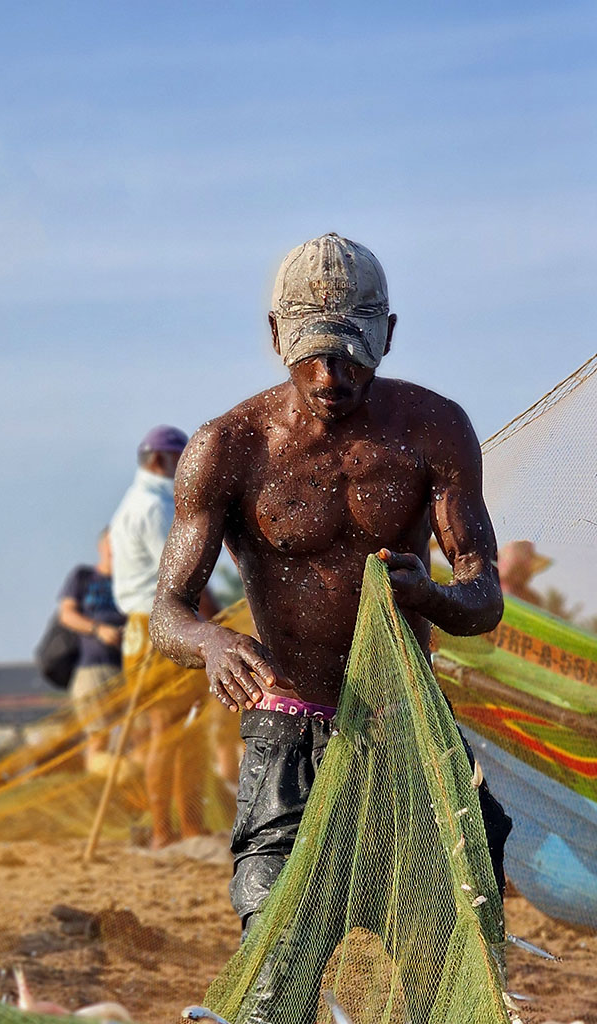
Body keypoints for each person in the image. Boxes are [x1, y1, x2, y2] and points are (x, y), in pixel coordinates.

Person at [150, 233, 512, 994]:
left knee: (443, 963)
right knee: (275, 970)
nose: (330, 376)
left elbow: (484, 600)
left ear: (386, 336)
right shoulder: (229, 446)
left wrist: (431, 597)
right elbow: (168, 613)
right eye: (311, 352)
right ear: (276, 336)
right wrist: (212, 645)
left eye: (351, 352)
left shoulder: (433, 431)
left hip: (403, 730)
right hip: (287, 732)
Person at [110, 425, 220, 848]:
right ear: (160, 460)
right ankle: (163, 830)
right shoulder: (153, 506)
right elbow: (184, 573)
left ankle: (186, 825)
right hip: (159, 624)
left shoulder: (140, 502)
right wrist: (214, 623)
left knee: (183, 729)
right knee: (167, 729)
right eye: (180, 459)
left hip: (150, 625)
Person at [58, 528, 126, 773]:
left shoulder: (129, 581)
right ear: (101, 547)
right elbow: (66, 614)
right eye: (110, 544)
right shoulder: (83, 577)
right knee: (98, 737)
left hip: (127, 669)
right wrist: (98, 629)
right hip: (93, 669)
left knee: (133, 738)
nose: (114, 550)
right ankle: (99, 784)